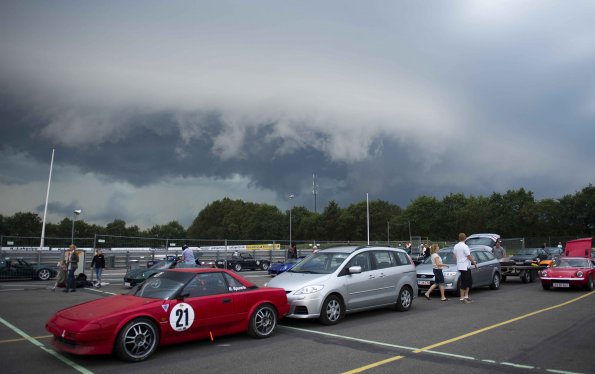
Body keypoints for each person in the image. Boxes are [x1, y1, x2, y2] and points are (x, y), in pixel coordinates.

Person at [453, 233, 477, 304]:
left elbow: (454, 256)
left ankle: (466, 296)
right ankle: (462, 298)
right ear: (465, 238)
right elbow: (468, 256)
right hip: (465, 266)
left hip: (462, 266)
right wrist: (474, 263)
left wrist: (458, 261)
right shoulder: (465, 246)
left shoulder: (456, 246)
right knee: (464, 282)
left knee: (469, 281)